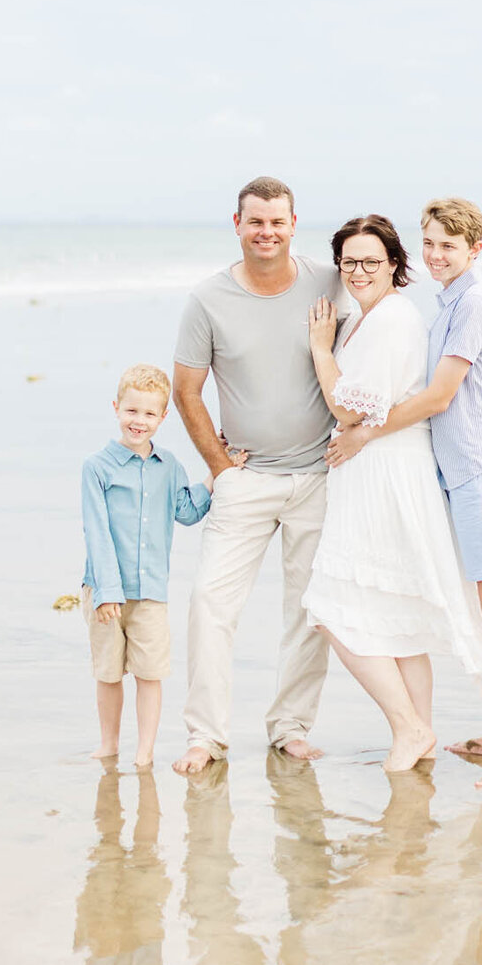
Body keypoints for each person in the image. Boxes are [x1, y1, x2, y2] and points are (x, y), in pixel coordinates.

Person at [326, 198, 482, 790]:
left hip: (479, 468)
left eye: (449, 245)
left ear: (476, 250)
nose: (437, 254)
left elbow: (440, 396)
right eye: (430, 243)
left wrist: (363, 434)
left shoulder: (473, 303)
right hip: (454, 472)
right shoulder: (446, 304)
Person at [171, 176, 341, 776]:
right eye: (256, 222)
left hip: (318, 474)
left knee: (308, 608)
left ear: (294, 223)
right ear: (237, 224)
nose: (267, 232)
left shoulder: (330, 280)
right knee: (208, 602)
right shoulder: (208, 299)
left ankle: (290, 728)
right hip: (244, 480)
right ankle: (205, 736)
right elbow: (185, 389)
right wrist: (219, 467)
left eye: (277, 221)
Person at [81, 363, 224, 769]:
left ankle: (145, 750)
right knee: (109, 674)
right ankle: (109, 742)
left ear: (163, 418)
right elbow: (97, 532)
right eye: (131, 411)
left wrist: (218, 472)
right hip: (105, 591)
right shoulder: (97, 468)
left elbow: (188, 509)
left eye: (148, 414)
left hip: (150, 594)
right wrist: (106, 592)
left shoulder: (169, 467)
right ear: (116, 408)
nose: (138, 421)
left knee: (150, 673)